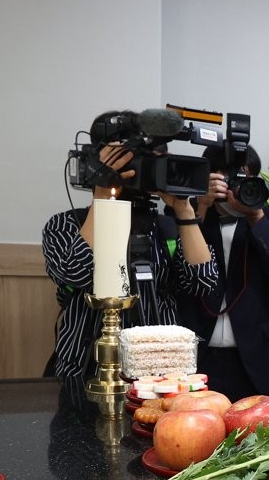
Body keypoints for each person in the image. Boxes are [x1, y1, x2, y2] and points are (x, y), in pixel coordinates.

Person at [43, 111, 219, 382]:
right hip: (86, 371)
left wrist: (183, 209)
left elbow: (203, 282)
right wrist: (103, 191)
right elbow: (76, 273)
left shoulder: (168, 227)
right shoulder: (65, 224)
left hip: (158, 375)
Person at [175, 145, 269, 402]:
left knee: (253, 435)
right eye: (229, 178)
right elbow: (177, 277)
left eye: (245, 179)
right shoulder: (186, 215)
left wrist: (255, 215)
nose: (235, 187)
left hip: (253, 357)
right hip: (198, 353)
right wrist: (201, 207)